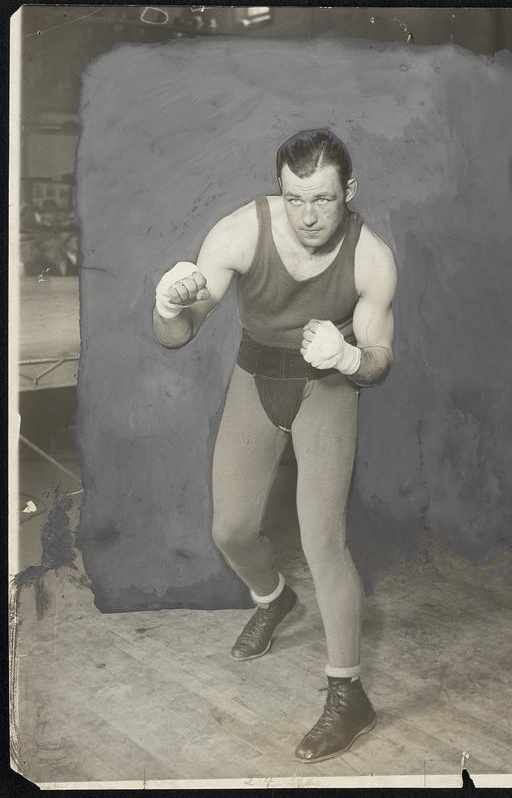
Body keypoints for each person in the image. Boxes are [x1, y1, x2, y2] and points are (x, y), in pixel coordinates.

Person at [152, 129, 397, 763]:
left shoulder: (371, 256)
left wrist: (346, 355)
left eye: (322, 199)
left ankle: (349, 696)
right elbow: (176, 334)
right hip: (255, 378)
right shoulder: (240, 232)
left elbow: (379, 360)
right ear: (278, 190)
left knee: (324, 542)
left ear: (349, 191)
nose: (309, 216)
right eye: (294, 199)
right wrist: (168, 304)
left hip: (327, 387)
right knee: (230, 530)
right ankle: (272, 598)